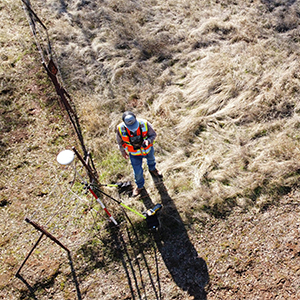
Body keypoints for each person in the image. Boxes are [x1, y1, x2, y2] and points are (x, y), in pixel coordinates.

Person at [116, 111, 163, 197]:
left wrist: (148, 141)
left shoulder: (144, 123)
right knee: (137, 172)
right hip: (134, 154)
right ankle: (140, 186)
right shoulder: (120, 128)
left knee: (151, 160)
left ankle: (153, 169)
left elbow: (153, 135)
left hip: (148, 150)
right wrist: (123, 151)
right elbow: (119, 142)